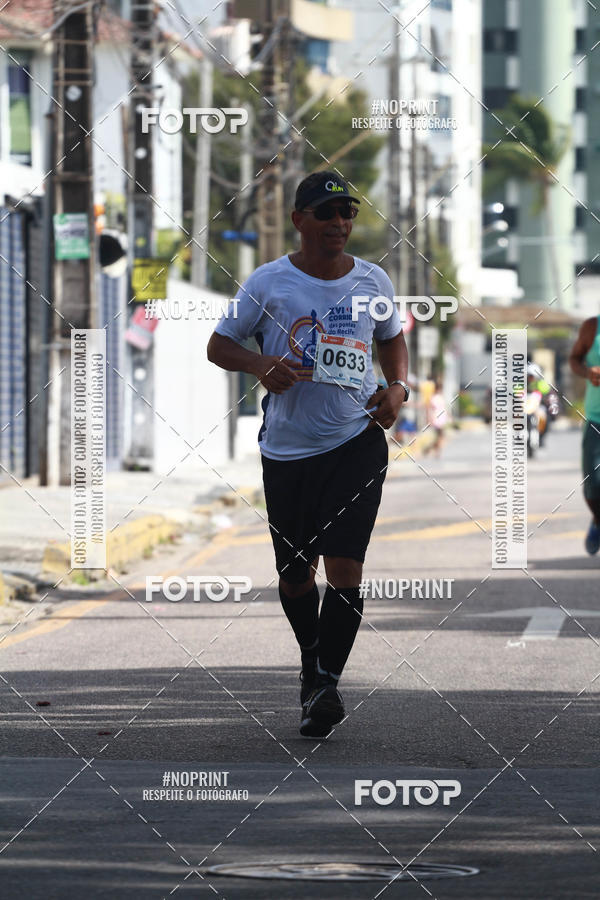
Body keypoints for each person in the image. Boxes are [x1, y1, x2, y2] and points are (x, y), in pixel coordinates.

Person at [207, 171, 408, 738]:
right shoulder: (269, 283)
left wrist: (398, 389)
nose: (339, 225)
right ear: (300, 221)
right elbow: (219, 344)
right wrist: (259, 365)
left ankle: (325, 682)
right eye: (326, 214)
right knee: (297, 577)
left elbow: (391, 337)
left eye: (347, 214)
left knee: (345, 566)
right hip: (289, 451)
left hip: (356, 443)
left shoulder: (374, 280)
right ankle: (311, 657)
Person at [569, 316, 600, 554]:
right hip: (596, 419)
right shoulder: (592, 327)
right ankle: (598, 520)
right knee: (592, 485)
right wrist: (587, 371)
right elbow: (574, 359)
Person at [423, 377, 449, 458]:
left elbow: (444, 408)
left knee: (439, 437)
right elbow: (429, 409)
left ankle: (430, 449)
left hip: (442, 419)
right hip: (436, 420)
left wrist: (448, 417)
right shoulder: (433, 398)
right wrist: (429, 419)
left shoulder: (441, 397)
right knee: (440, 437)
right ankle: (435, 451)